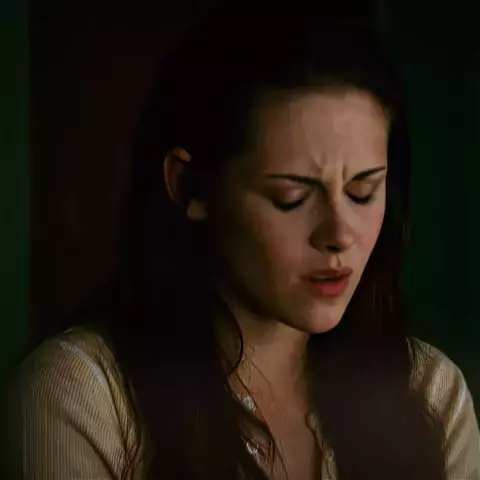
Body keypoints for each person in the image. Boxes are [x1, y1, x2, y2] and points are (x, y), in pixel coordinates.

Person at [6, 13, 480, 480]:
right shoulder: (84, 401)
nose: (339, 235)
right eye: (291, 198)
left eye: (363, 191)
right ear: (190, 187)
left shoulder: (430, 395)